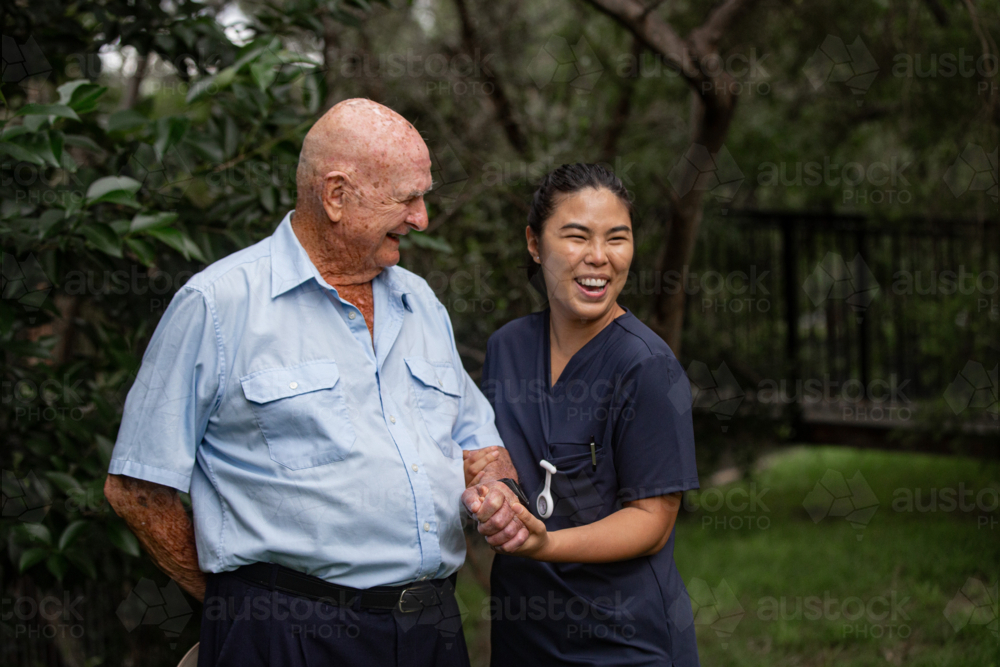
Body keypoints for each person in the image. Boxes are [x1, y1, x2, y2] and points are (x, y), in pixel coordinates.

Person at [103, 99, 529, 667]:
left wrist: (498, 490)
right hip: (287, 640)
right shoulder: (219, 304)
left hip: (431, 632)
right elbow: (136, 489)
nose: (423, 218)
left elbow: (478, 441)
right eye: (407, 198)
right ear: (336, 195)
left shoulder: (420, 302)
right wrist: (240, 607)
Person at [462, 164, 701, 666]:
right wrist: (486, 488)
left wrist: (543, 544)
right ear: (534, 243)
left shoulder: (647, 367)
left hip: (621, 640)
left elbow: (652, 521)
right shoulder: (507, 348)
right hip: (523, 634)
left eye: (618, 238)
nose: (599, 258)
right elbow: (495, 459)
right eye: (576, 236)